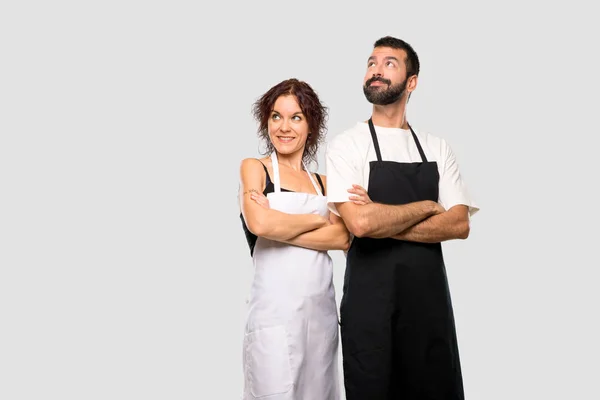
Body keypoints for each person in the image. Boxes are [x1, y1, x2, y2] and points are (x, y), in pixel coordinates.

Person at [325, 36, 480, 399]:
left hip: (429, 309)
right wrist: (428, 206)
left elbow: (459, 224)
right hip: (370, 309)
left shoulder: (437, 146)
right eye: (371, 62)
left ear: (412, 82)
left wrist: (381, 216)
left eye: (389, 63)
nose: (376, 70)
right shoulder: (347, 145)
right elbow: (360, 224)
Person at [238, 78, 349, 400]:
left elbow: (342, 237)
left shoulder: (325, 182)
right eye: (276, 116)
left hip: (320, 319)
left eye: (296, 117)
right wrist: (316, 220)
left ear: (311, 125)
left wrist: (280, 223)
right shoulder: (255, 168)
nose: (284, 127)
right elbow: (259, 223)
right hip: (273, 316)